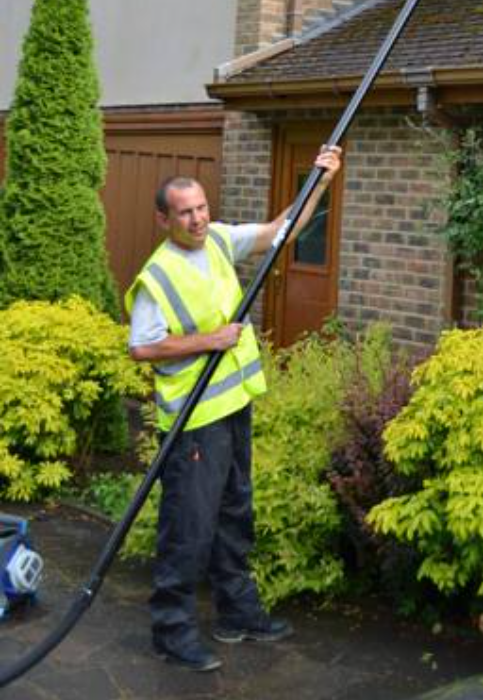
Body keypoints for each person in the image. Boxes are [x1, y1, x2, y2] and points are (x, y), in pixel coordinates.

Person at [125, 145, 343, 672]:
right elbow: (142, 346)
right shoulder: (160, 275)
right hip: (194, 424)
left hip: (232, 409)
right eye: (185, 212)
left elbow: (281, 230)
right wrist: (209, 339)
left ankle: (237, 614)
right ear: (164, 219)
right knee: (189, 529)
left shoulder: (220, 239)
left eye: (201, 208)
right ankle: (172, 633)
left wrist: (321, 179)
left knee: (233, 516)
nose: (198, 219)